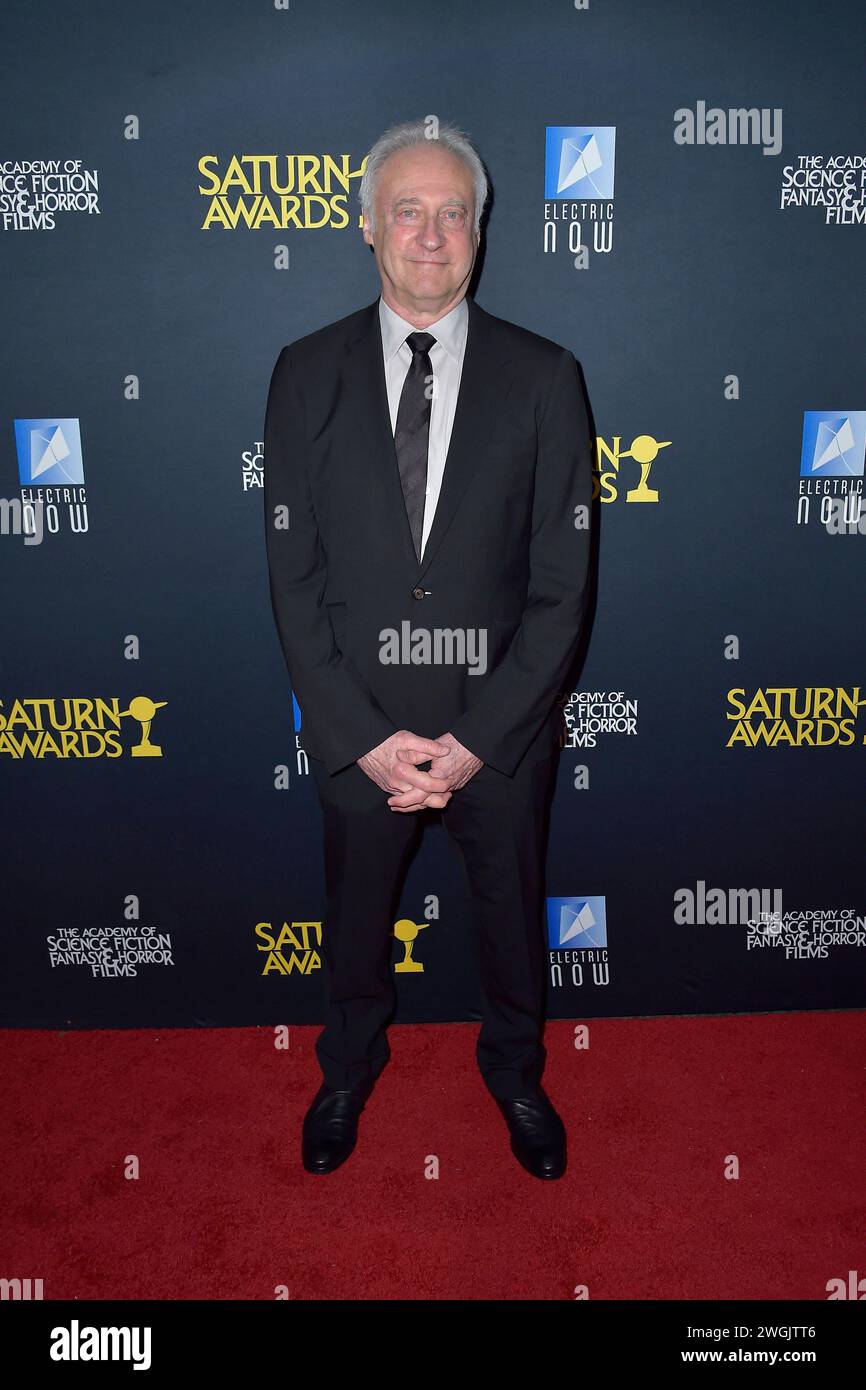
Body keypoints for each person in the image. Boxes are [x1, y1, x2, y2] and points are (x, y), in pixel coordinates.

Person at [263, 118, 593, 1179]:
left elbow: (560, 585)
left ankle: (515, 1074)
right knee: (354, 930)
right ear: (366, 227)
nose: (430, 233)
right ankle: (347, 1070)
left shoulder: (545, 378)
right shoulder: (303, 374)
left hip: (495, 735)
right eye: (406, 209)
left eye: (453, 212)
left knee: (509, 928)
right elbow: (293, 577)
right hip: (360, 731)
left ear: (481, 232)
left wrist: (477, 740)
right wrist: (357, 735)